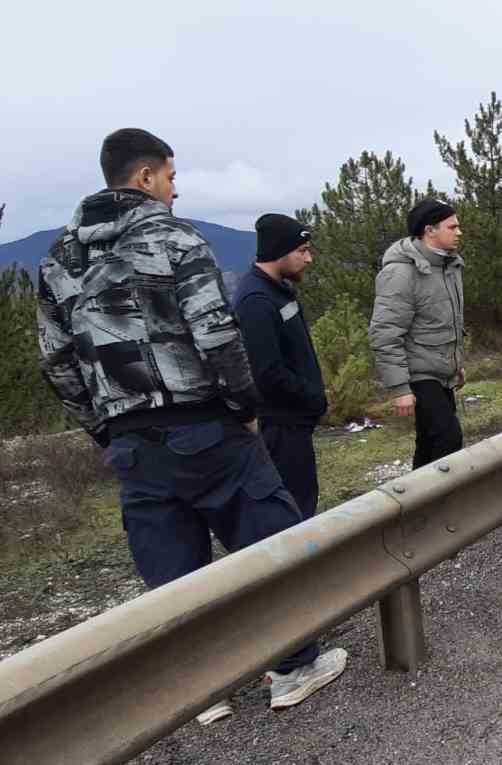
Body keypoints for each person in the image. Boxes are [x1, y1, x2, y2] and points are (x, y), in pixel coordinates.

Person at [35, 129, 346, 724]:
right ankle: (293, 667)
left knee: (170, 564)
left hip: (130, 439)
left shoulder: (58, 259)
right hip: (202, 421)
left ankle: (202, 690)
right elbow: (213, 331)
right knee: (268, 539)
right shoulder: (174, 238)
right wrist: (241, 404)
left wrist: (104, 429)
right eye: (171, 178)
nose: (175, 191)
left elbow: (56, 360)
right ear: (146, 177)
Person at [233, 214, 328, 519]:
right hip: (281, 425)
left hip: (296, 421)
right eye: (302, 251)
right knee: (292, 509)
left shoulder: (278, 290)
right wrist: (311, 396)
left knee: (303, 499)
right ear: (279, 251)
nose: (309, 258)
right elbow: (267, 373)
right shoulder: (256, 300)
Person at [369, 198, 466, 469]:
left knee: (430, 442)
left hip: (440, 372)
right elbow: (385, 333)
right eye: (452, 226)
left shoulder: (449, 266)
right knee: (448, 439)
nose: (459, 232)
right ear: (429, 230)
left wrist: (457, 365)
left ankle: (419, 506)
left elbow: (448, 323)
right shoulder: (400, 273)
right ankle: (438, 505)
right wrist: (400, 388)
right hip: (419, 375)